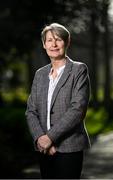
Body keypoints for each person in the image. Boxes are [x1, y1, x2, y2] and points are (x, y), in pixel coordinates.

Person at [25, 22, 91, 179]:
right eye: (49, 40)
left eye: (58, 39)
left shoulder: (78, 70)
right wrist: (40, 138)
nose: (53, 44)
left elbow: (77, 109)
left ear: (67, 42)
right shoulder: (40, 74)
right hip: (43, 148)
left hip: (69, 147)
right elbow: (31, 110)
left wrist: (50, 138)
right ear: (44, 44)